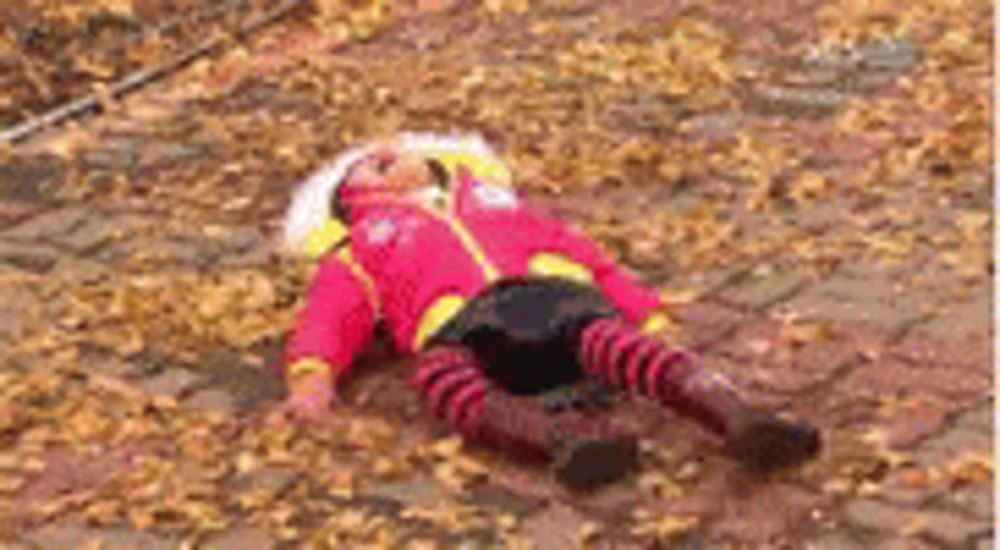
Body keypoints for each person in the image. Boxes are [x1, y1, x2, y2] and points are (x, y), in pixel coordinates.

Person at [278, 132, 821, 487]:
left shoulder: (498, 204)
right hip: (457, 326)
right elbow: (329, 315)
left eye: (394, 150)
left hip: (553, 301)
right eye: (364, 167)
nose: (379, 155)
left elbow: (586, 256)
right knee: (440, 381)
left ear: (436, 162)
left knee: (622, 346)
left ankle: (738, 414)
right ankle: (565, 439)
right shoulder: (362, 245)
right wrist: (313, 375)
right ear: (347, 199)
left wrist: (646, 312)